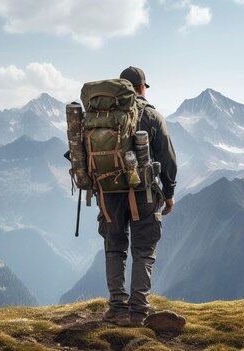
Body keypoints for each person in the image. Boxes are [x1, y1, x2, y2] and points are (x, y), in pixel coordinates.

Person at [100, 66, 177, 327]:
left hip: (109, 194)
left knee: (114, 249)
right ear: (142, 87)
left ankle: (117, 308)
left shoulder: (102, 116)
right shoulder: (153, 116)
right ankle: (138, 311)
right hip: (143, 195)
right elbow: (167, 159)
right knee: (143, 251)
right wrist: (169, 193)